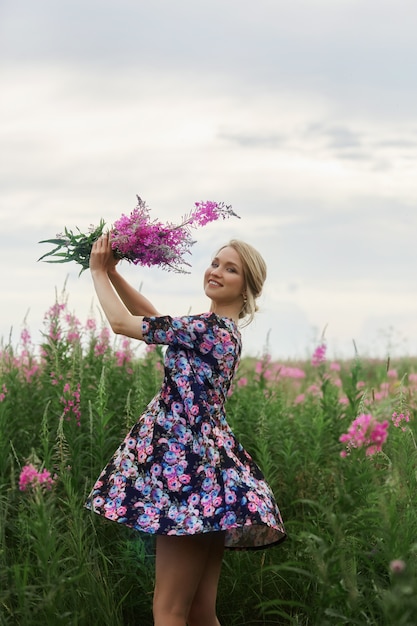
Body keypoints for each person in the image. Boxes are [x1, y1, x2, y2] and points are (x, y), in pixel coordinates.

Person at [85, 233, 286, 626]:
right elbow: (154, 318)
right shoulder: (216, 331)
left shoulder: (207, 330)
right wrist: (114, 272)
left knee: (169, 611)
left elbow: (123, 323)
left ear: (246, 288)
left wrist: (96, 272)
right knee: (197, 611)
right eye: (215, 262)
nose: (217, 271)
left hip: (185, 480)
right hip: (207, 475)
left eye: (231, 269)